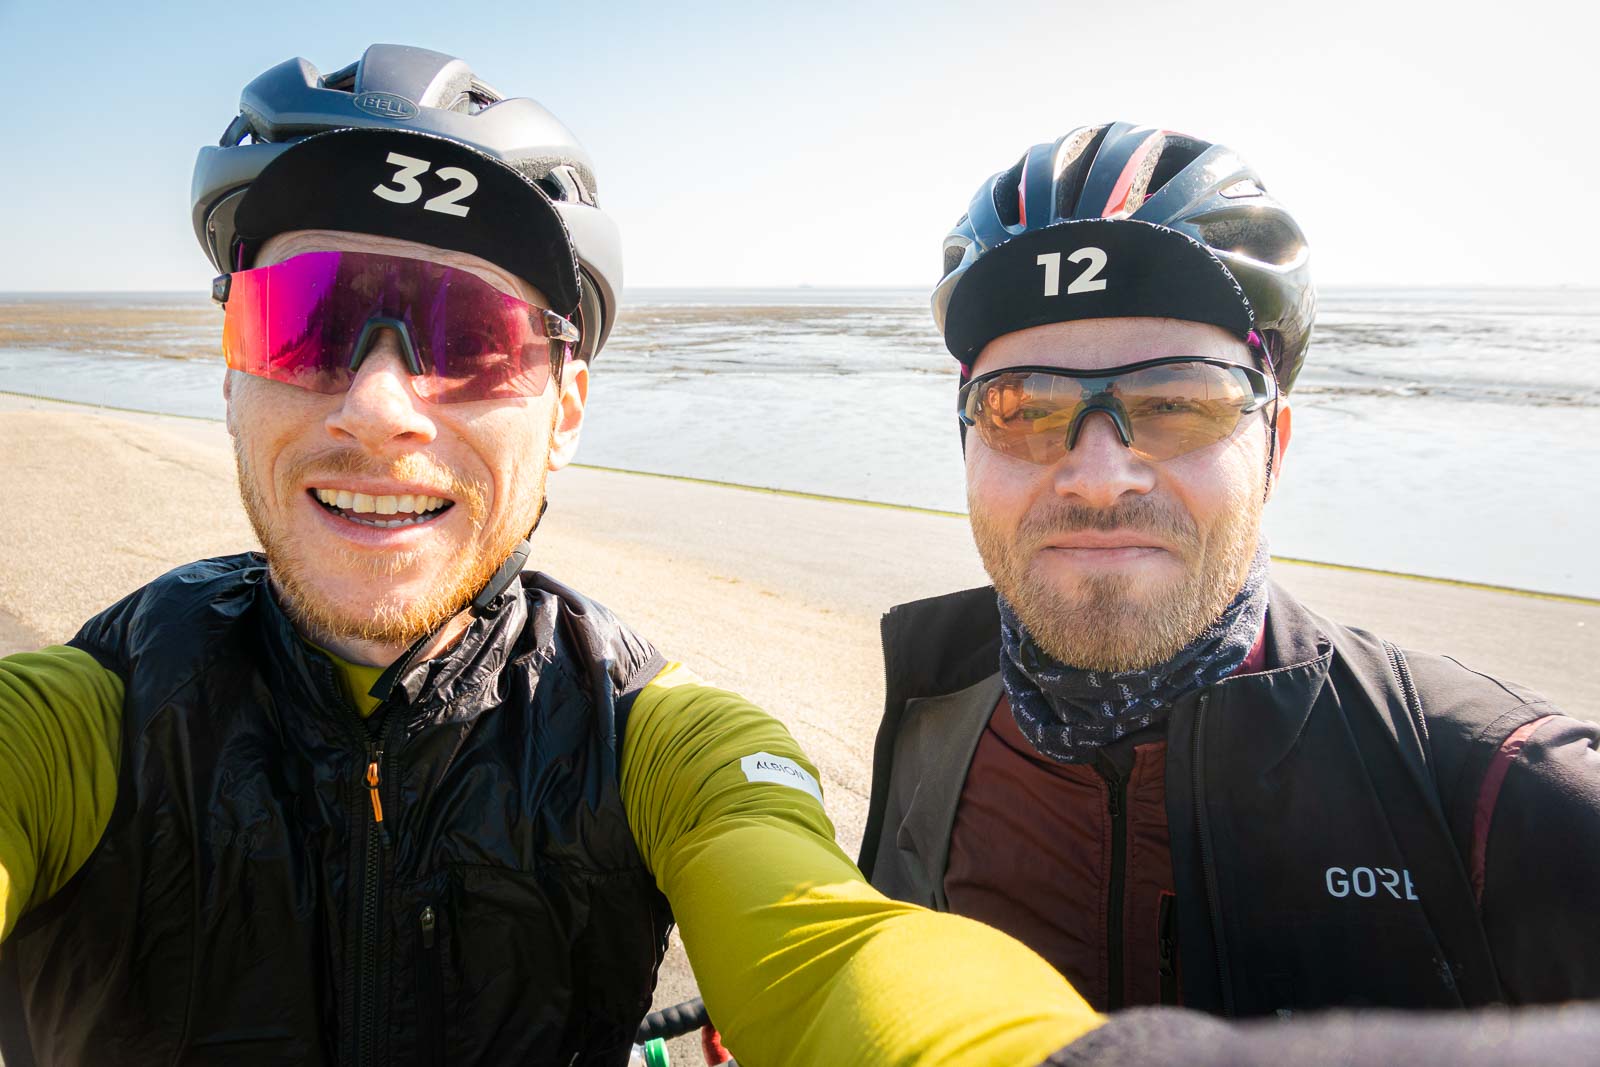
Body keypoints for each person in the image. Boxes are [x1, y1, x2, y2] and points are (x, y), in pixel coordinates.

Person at [0, 46, 1110, 1066]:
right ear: (230, 369)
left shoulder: (657, 742)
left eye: (471, 338)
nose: (378, 408)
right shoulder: (87, 715)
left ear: (566, 408)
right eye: (305, 317)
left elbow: (837, 958)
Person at [859, 122, 1600, 1016]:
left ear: (1274, 448)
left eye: (1176, 402)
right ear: (967, 445)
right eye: (1021, 407)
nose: (1099, 478)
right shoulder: (931, 710)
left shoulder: (1500, 797)